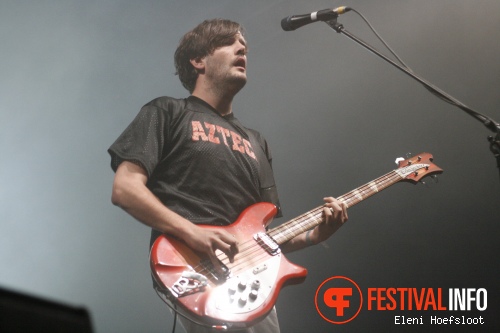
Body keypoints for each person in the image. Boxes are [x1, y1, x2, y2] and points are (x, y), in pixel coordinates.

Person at [108, 18, 348, 333]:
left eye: (244, 47)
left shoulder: (256, 141)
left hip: (251, 286)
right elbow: (125, 188)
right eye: (228, 43)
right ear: (198, 61)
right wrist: (192, 233)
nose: (242, 50)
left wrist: (314, 237)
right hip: (193, 272)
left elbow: (260, 240)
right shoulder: (168, 112)